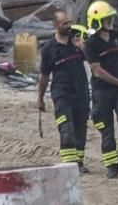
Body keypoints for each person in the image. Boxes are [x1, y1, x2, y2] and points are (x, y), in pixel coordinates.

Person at [84, 0, 118, 178]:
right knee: (106, 130)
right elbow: (97, 71)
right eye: (106, 18)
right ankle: (111, 164)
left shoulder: (117, 36)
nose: (110, 21)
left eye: (110, 18)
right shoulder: (91, 43)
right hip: (102, 91)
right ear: (96, 21)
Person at [36, 10, 90, 173]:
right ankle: (69, 166)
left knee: (81, 127)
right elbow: (44, 75)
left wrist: (82, 47)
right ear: (55, 25)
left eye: (69, 22)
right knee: (66, 129)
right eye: (64, 23)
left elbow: (93, 59)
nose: (68, 26)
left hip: (81, 92)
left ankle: (79, 163)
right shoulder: (49, 49)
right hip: (61, 94)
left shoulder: (77, 38)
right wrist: (40, 98)